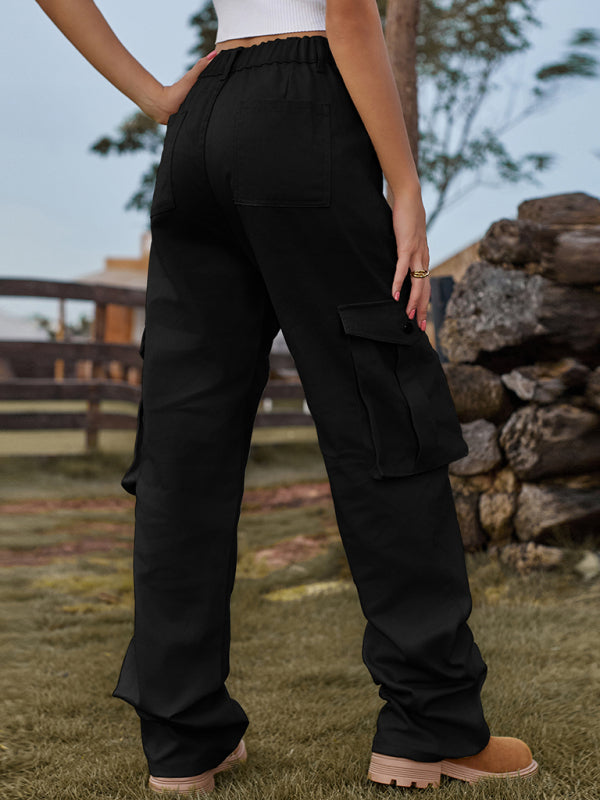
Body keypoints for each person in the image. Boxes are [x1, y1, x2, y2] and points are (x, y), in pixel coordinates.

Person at [35, 0, 539, 793]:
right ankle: (431, 726)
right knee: (385, 412)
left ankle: (183, 737)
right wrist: (405, 184)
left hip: (200, 128)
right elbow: (348, 10)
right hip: (305, 107)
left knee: (185, 446)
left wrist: (157, 97)